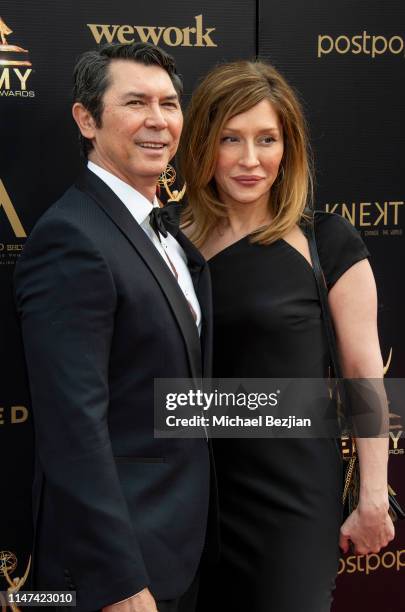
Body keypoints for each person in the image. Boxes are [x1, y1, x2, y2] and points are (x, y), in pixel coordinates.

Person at [178, 60, 395, 612]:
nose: (250, 160)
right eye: (231, 138)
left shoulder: (327, 242)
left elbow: (364, 376)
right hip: (186, 500)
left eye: (267, 139)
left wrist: (373, 496)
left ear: (288, 147)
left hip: (290, 501)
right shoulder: (170, 243)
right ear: (203, 144)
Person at [14, 42, 214, 612]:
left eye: (169, 103)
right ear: (86, 119)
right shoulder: (72, 238)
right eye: (135, 102)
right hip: (115, 575)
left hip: (179, 548)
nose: (158, 120)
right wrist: (117, 582)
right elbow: (72, 429)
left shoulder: (165, 231)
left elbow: (172, 396)